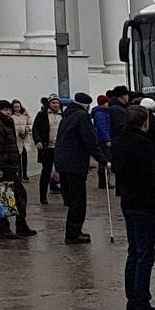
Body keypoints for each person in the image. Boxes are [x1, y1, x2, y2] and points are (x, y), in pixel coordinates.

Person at [112, 105, 155, 310]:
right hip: (145, 204)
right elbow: (150, 178)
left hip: (128, 202)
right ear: (145, 122)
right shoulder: (144, 144)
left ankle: (133, 300)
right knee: (145, 255)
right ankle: (142, 302)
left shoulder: (119, 142)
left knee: (134, 252)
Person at [55, 91, 107, 244]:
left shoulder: (67, 116)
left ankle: (74, 231)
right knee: (78, 201)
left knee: (72, 200)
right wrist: (103, 160)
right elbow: (89, 141)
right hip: (74, 163)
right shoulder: (82, 116)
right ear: (87, 105)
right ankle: (73, 233)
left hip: (63, 163)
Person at [0, 99, 37, 240]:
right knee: (3, 198)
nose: (8, 112)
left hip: (11, 166)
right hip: (3, 168)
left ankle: (21, 225)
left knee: (20, 196)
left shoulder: (8, 123)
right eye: (5, 110)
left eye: (9, 109)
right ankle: (4, 229)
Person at [32, 94, 63, 205]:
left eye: (57, 103)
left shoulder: (63, 115)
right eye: (53, 103)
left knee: (63, 172)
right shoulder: (42, 115)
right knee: (46, 172)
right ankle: (43, 196)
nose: (55, 105)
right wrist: (38, 141)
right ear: (49, 104)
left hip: (60, 148)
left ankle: (65, 195)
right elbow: (35, 129)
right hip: (47, 148)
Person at [92, 94, 113, 190]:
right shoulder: (100, 114)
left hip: (102, 139)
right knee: (104, 160)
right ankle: (103, 183)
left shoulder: (101, 113)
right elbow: (102, 127)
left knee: (105, 160)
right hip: (102, 140)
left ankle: (104, 182)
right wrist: (107, 139)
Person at [11, 100, 32, 181]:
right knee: (17, 158)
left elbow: (30, 124)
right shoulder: (12, 116)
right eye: (15, 107)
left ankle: (25, 173)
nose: (17, 108)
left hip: (24, 139)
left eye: (18, 106)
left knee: (25, 156)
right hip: (16, 139)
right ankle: (19, 173)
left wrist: (27, 130)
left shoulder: (25, 115)